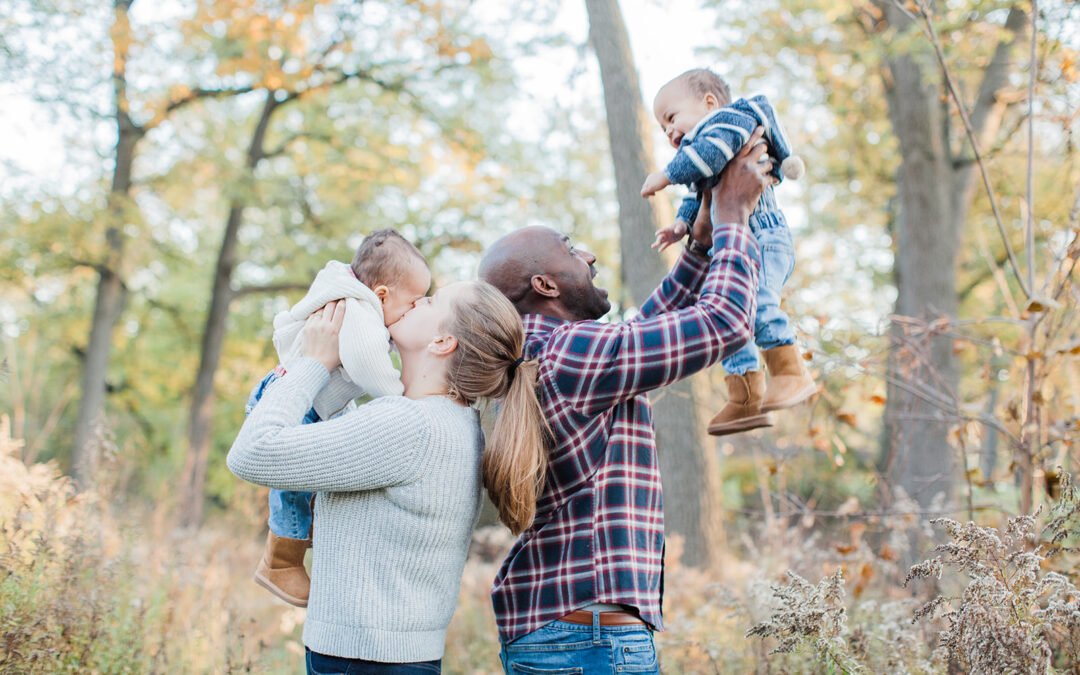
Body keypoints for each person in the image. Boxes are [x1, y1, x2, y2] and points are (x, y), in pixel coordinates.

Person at [477, 127, 771, 674]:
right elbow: (727, 323)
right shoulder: (570, 354)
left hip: (560, 629)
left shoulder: (547, 355)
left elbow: (651, 332)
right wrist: (732, 218)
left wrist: (703, 245)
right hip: (592, 642)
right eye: (569, 247)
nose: (586, 254)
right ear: (544, 284)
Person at [228, 279, 549, 673]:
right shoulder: (449, 422)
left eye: (429, 301)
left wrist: (311, 362)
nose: (414, 301)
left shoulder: (410, 425)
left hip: (362, 660)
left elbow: (251, 453)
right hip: (392, 658)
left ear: (442, 342)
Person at [247, 229, 431, 608]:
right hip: (293, 403)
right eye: (412, 303)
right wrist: (399, 397)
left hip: (308, 402)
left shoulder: (358, 301)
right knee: (292, 487)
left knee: (311, 481)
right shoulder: (360, 313)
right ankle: (280, 562)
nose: (414, 310)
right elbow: (368, 364)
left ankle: (296, 544)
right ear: (381, 295)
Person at [641, 68, 817, 436]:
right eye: (663, 130)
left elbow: (708, 154)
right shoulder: (702, 151)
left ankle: (789, 371)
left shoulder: (730, 122)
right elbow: (698, 197)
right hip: (732, 246)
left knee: (758, 305)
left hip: (765, 239)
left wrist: (667, 174)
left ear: (709, 103)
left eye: (672, 118)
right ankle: (745, 395)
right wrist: (682, 226)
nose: (671, 133)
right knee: (730, 322)